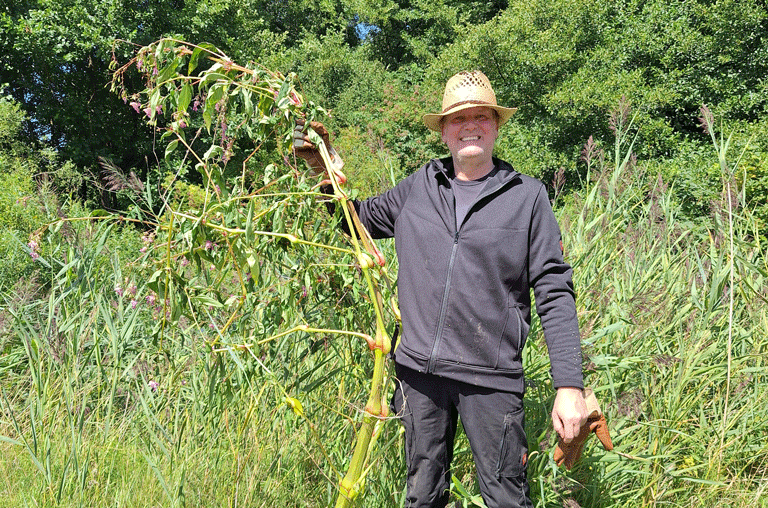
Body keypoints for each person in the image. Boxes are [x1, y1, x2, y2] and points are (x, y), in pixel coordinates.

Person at [294, 70, 588, 508]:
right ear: (444, 132)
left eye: (481, 116)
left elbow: (553, 289)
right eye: (458, 118)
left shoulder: (527, 197)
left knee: (507, 498)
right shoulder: (420, 186)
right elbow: (358, 223)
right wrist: (324, 171)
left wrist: (570, 385)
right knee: (423, 495)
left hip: (490, 380)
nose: (470, 125)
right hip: (418, 375)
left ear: (495, 125)